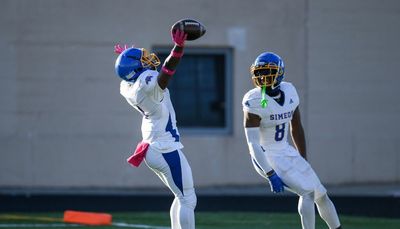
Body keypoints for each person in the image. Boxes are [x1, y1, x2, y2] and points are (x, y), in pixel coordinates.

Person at [242, 52, 342, 229]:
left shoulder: (289, 91)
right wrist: (270, 173)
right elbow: (253, 144)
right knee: (307, 192)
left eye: (268, 72)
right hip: (266, 154)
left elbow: (296, 126)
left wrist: (302, 158)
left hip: (286, 150)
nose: (263, 77)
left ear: (279, 72)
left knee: (321, 194)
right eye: (260, 72)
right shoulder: (254, 101)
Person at [113, 29, 196, 229]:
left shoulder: (127, 85)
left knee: (181, 196)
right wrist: (178, 50)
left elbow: (130, 74)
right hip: (164, 147)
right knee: (188, 199)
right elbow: (165, 75)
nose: (148, 60)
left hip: (153, 145)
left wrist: (127, 57)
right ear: (136, 69)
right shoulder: (146, 83)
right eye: (142, 60)